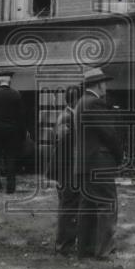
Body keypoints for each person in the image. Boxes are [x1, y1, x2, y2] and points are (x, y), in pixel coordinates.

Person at [72, 68, 123, 259]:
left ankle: (85, 249)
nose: (106, 87)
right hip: (99, 163)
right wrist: (119, 156)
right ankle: (104, 250)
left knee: (87, 206)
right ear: (98, 84)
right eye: (104, 83)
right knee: (107, 205)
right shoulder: (95, 103)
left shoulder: (80, 103)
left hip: (84, 164)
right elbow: (109, 134)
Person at [52, 84, 82, 255]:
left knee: (70, 208)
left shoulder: (70, 116)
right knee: (67, 209)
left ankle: (67, 243)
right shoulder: (66, 117)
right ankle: (63, 246)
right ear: (76, 100)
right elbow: (63, 146)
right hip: (67, 172)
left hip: (68, 171)